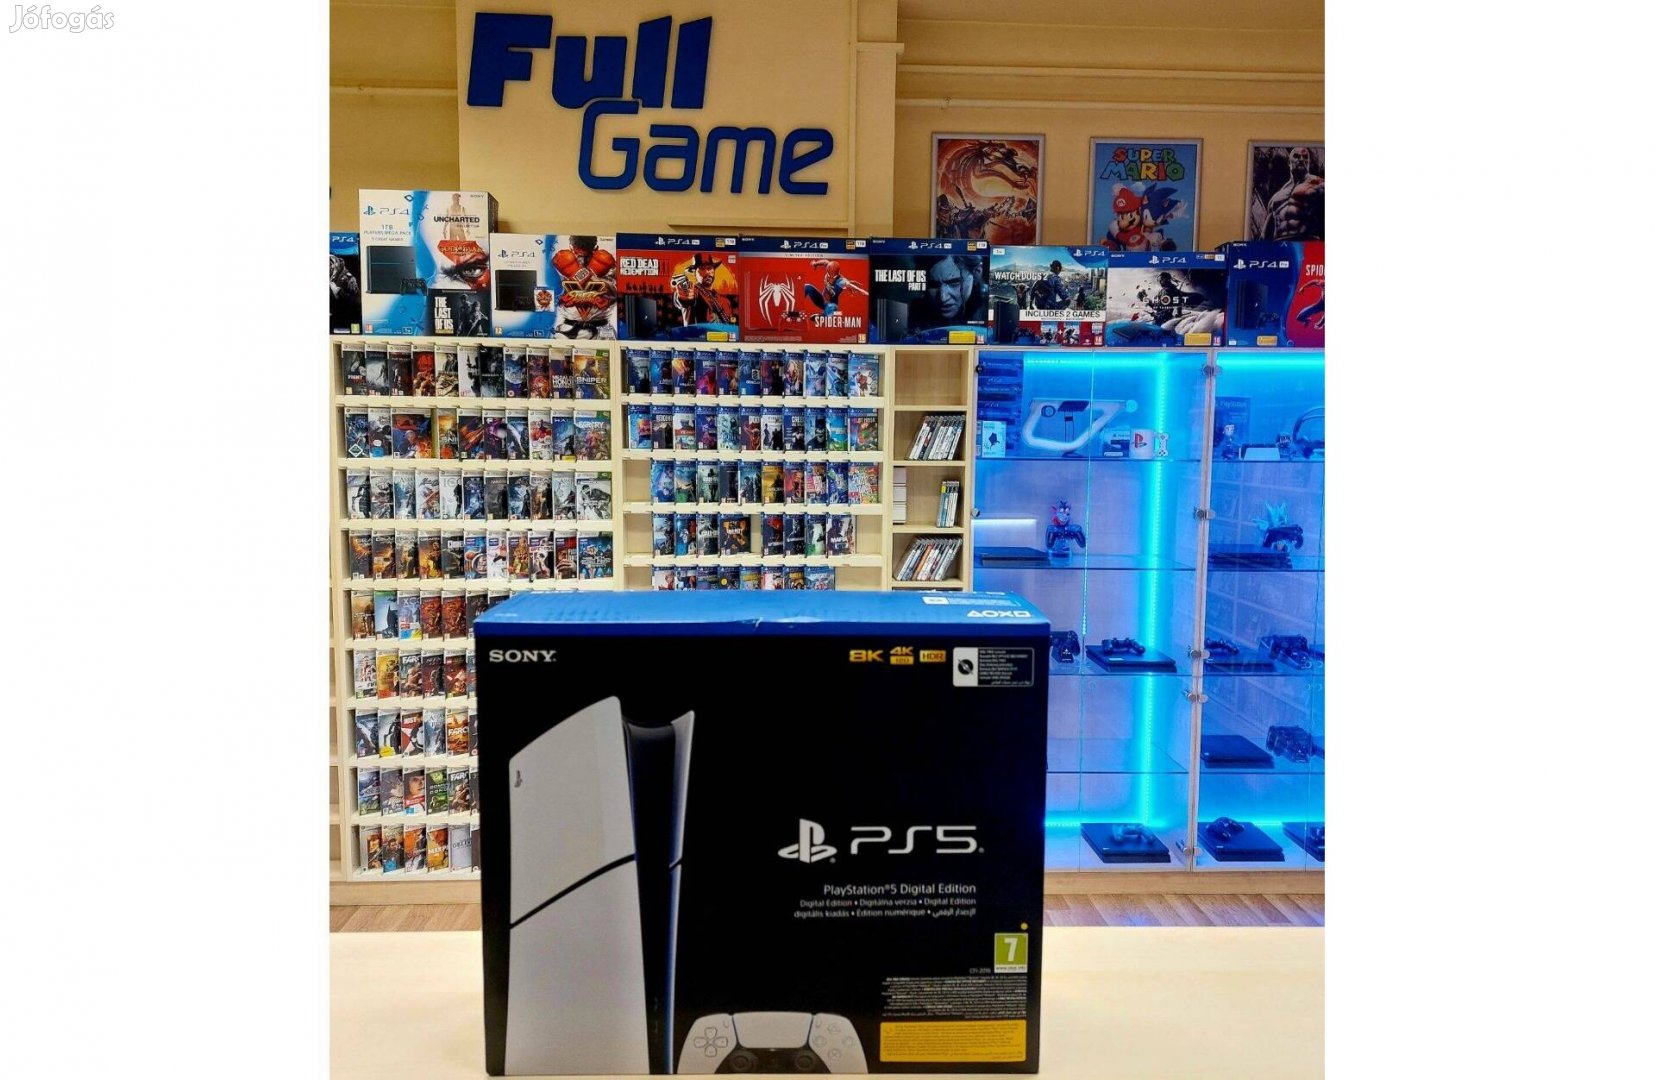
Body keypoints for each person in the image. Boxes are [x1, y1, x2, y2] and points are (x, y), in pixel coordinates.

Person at [1263, 146, 1325, 241]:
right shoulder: (1277, 197)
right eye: (1297, 156)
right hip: (1281, 244)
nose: (1301, 159)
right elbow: (1265, 234)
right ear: (1289, 163)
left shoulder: (1319, 185)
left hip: (1307, 243)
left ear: (1309, 163)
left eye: (1305, 157)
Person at [670, 252, 735, 326]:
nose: (707, 272)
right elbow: (684, 299)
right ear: (695, 273)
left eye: (709, 268)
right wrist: (682, 298)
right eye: (702, 269)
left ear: (714, 271)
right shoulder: (695, 291)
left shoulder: (725, 302)